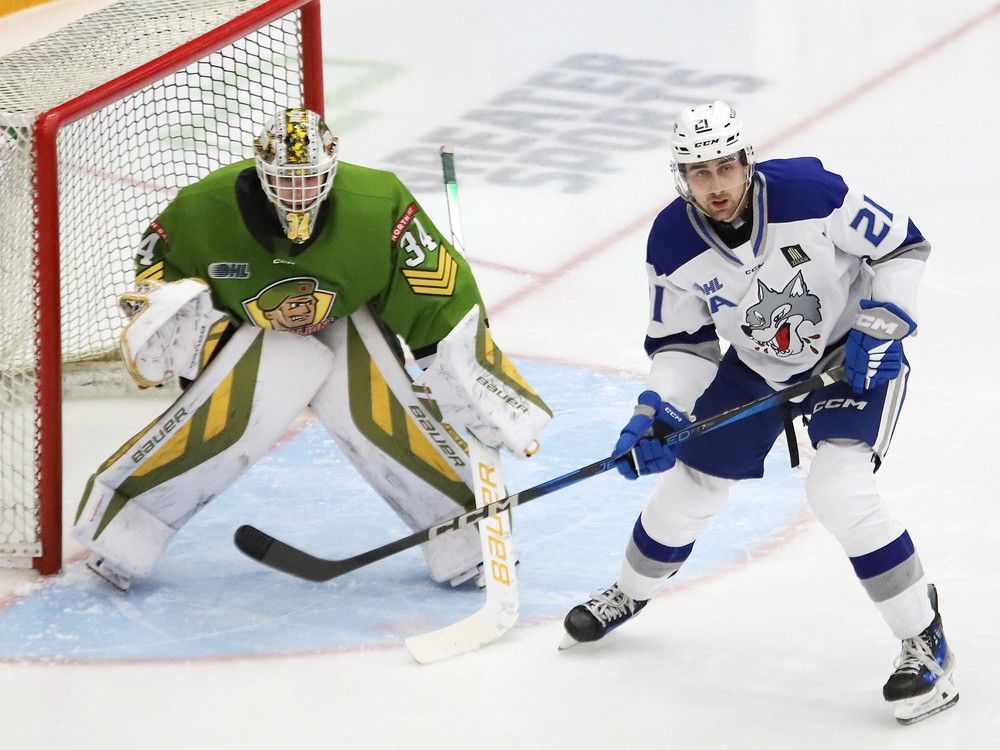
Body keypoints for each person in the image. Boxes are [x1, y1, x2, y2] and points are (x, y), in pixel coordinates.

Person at [561, 101, 956, 725]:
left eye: (725, 167)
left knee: (840, 490)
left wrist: (885, 321)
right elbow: (684, 346)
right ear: (680, 177)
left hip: (849, 357)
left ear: (747, 160)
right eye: (699, 173)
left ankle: (924, 640)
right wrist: (658, 407)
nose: (716, 186)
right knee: (690, 482)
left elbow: (903, 244)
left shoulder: (811, 193)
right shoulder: (671, 241)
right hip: (758, 366)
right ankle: (628, 594)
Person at [72, 107, 551, 592]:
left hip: (348, 324)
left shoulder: (377, 201)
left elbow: (435, 289)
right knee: (222, 425)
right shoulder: (201, 210)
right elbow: (158, 275)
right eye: (285, 179)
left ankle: (469, 543)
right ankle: (121, 535)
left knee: (384, 422)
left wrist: (455, 366)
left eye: (311, 179)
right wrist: (192, 341)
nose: (298, 192)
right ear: (261, 171)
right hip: (251, 333)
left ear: (333, 169)